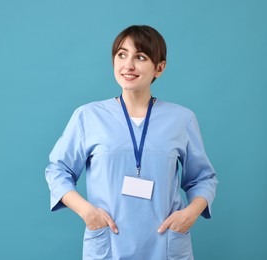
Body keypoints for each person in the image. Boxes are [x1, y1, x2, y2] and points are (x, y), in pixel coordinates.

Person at [45, 25, 218, 260]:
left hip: (165, 244)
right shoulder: (88, 116)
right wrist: (87, 212)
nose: (128, 65)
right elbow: (58, 170)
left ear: (159, 67)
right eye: (122, 55)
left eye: (140, 57)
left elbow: (203, 178)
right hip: (108, 244)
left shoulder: (181, 119)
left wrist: (190, 214)